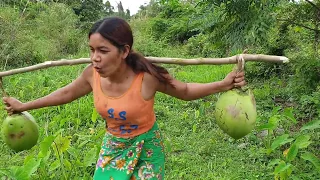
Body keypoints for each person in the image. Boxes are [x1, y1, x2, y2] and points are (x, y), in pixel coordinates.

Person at [3, 17, 246, 180]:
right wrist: (24, 106)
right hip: (113, 147)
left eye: (103, 51)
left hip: (147, 148)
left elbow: (184, 91)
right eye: (92, 50)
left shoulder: (146, 77)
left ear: (125, 51)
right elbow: (66, 93)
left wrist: (222, 85)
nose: (95, 58)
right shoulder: (91, 76)